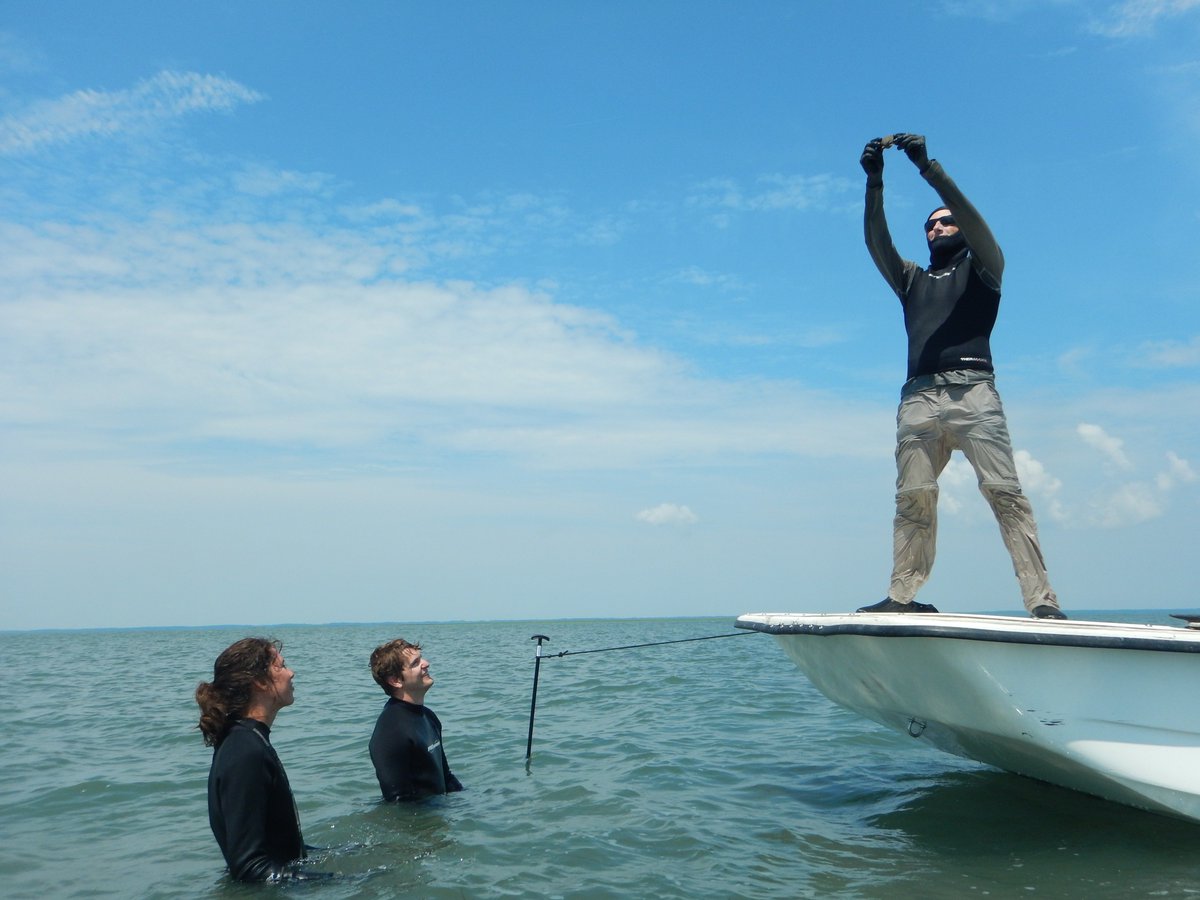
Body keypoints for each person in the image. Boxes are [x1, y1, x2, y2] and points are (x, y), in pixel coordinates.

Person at [857, 132, 1065, 620]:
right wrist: (874, 183)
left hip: (975, 395)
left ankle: (1041, 602)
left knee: (1005, 494)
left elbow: (972, 220)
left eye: (946, 222)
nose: (937, 228)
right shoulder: (911, 279)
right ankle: (902, 598)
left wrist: (930, 171)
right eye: (929, 225)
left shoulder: (984, 267)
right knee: (913, 499)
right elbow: (875, 241)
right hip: (917, 401)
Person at [195, 637, 307, 881]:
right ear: (260, 682)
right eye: (281, 666)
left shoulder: (248, 740)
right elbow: (249, 867)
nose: (291, 673)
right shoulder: (245, 751)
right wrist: (334, 883)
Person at [368, 638, 464, 801]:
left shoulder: (428, 716)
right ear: (395, 680)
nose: (426, 663)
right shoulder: (391, 732)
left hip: (437, 814)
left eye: (422, 658)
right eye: (415, 663)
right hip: (417, 822)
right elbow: (399, 803)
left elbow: (446, 777)